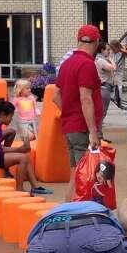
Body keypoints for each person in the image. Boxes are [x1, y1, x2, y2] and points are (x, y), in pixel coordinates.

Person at [51, 24, 106, 180]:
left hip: (70, 126)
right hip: (82, 127)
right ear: (96, 42)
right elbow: (86, 98)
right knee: (87, 175)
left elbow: (55, 96)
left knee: (76, 172)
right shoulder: (87, 64)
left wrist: (69, 112)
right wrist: (93, 132)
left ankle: (70, 197)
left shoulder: (67, 63)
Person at [0, 100, 45, 194]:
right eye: (11, 116)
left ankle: (35, 186)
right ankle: (19, 188)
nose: (11, 119)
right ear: (2, 114)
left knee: (24, 155)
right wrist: (18, 150)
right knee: (23, 157)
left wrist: (19, 150)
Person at [11, 78, 40, 144]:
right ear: (20, 90)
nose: (29, 90)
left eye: (29, 88)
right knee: (30, 136)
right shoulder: (16, 99)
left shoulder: (31, 98)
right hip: (22, 122)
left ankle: (27, 145)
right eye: (27, 88)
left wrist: (38, 112)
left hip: (32, 121)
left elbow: (35, 107)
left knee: (34, 137)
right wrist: (10, 114)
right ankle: (24, 139)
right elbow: (12, 107)